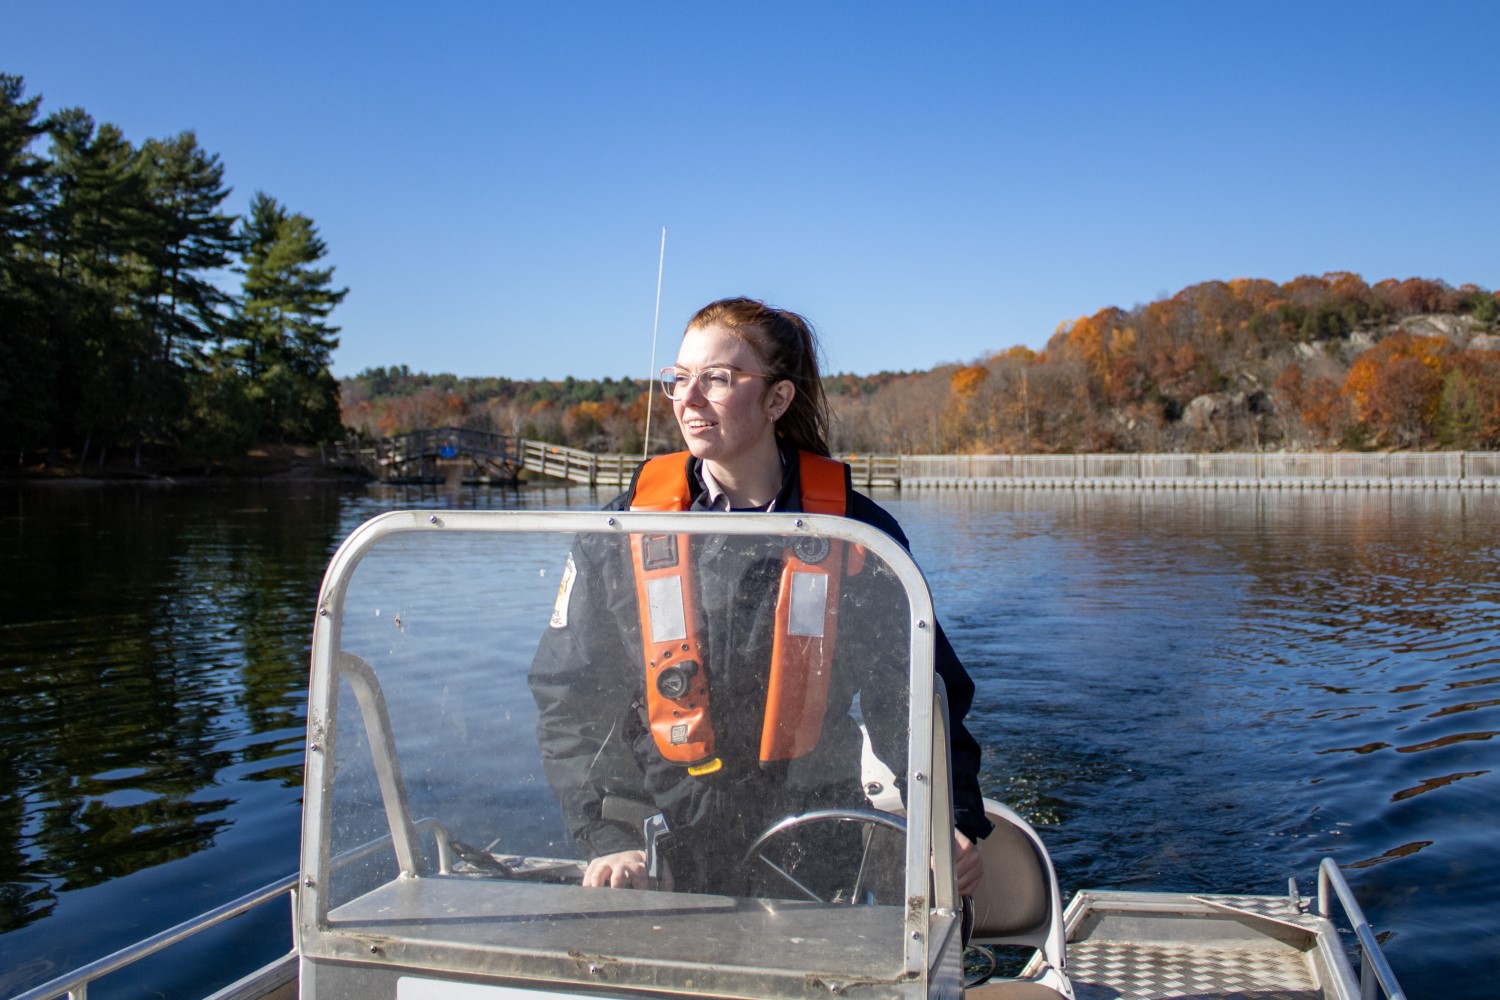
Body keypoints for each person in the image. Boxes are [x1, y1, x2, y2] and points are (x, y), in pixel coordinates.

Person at [528, 296, 991, 898]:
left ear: (777, 400)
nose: (688, 399)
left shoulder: (856, 535)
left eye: (716, 379)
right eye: (678, 379)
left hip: (812, 835)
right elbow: (571, 694)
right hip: (658, 839)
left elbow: (914, 694)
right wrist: (606, 837)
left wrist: (946, 820)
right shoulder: (621, 534)